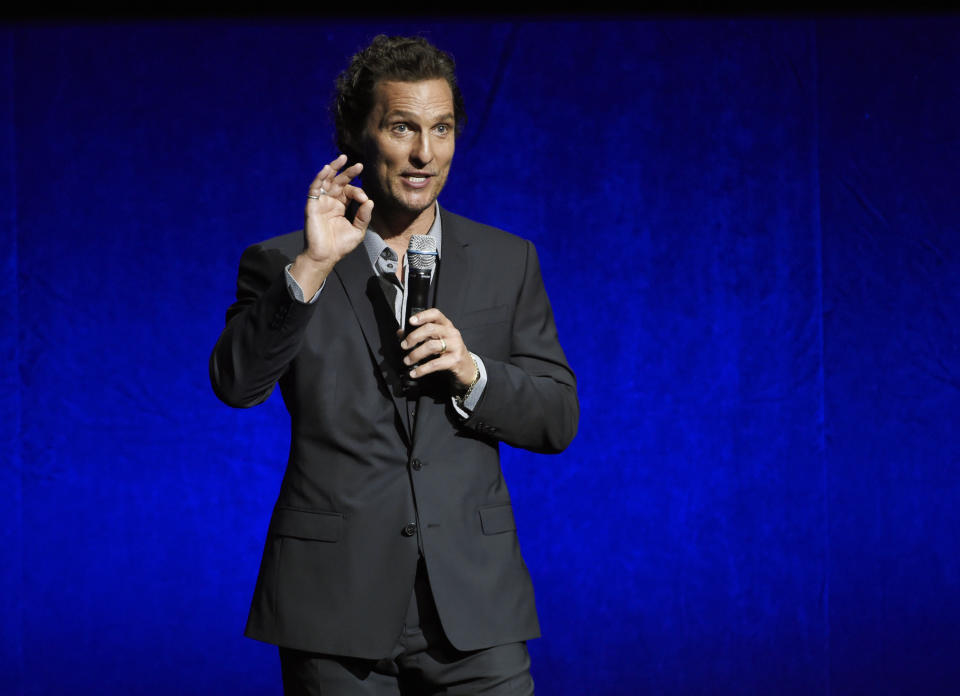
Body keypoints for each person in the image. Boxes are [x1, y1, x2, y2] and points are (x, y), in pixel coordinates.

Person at [210, 34, 578, 695]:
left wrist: (473, 373)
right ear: (359, 134)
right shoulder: (282, 260)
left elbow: (557, 418)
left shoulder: (508, 259)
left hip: (475, 607)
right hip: (333, 606)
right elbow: (236, 385)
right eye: (402, 127)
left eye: (441, 129)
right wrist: (314, 266)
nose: (424, 153)